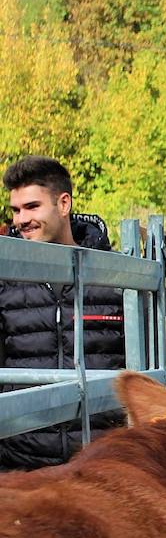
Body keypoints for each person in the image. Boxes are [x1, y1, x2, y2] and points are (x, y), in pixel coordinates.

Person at [1, 156, 126, 471]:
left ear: (64, 203)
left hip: (100, 465)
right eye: (15, 210)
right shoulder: (5, 280)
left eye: (32, 207)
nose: (20, 219)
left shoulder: (118, 277)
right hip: (22, 468)